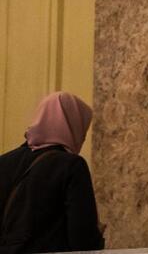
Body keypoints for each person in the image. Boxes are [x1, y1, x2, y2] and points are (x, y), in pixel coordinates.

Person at [0, 92, 105, 253]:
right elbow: (83, 242)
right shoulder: (71, 166)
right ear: (73, 126)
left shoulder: (4, 162)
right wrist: (98, 235)